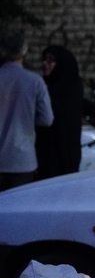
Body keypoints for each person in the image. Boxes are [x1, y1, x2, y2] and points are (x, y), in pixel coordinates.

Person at [0, 31, 53, 190]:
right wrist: (27, 118)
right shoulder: (35, 81)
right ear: (25, 52)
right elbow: (47, 119)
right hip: (23, 161)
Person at [34, 45, 84, 179]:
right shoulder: (42, 87)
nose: (45, 63)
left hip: (63, 154)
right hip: (44, 155)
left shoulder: (71, 89)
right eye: (44, 59)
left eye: (50, 60)